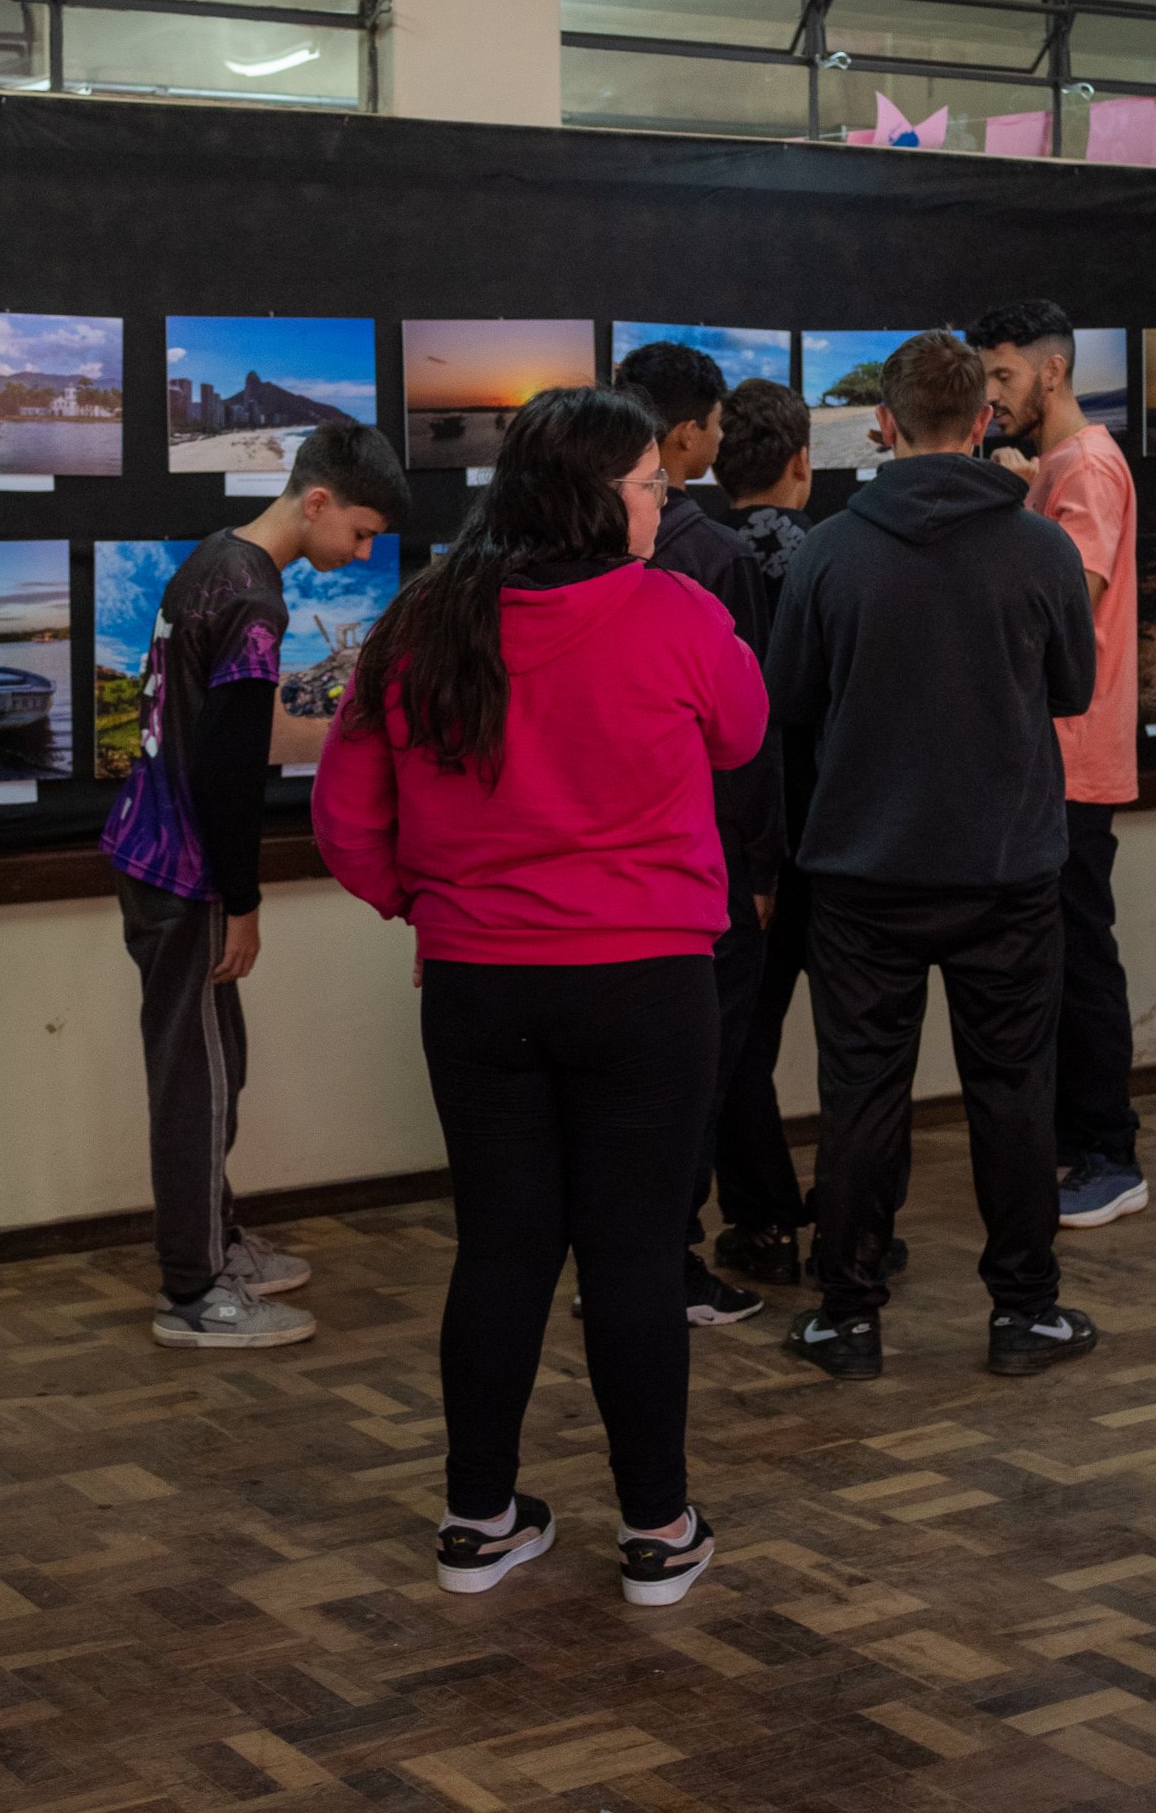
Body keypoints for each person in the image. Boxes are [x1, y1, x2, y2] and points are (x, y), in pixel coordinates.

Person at [313, 388, 767, 1605]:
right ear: (595, 497)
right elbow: (743, 734)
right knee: (633, 1255)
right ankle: (658, 1530)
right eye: (649, 485)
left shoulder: (424, 619)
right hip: (646, 983)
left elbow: (345, 820)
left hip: (479, 984)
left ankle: (477, 1520)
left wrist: (432, 908)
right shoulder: (675, 611)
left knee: (501, 1249)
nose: (661, 502)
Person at [765, 330, 1099, 1380]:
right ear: (984, 420)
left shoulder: (829, 552)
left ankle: (849, 1317)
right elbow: (1073, 689)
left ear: (885, 424)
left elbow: (789, 702)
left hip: (863, 871)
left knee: (862, 1094)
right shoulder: (1040, 549)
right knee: (1014, 1091)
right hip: (1007, 866)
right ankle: (1024, 1313)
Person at [102, 421, 411, 1350]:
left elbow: (222, 735)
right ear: (317, 500)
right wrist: (243, 901)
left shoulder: (216, 559)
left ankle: (216, 1242)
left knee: (217, 1065)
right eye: (360, 532)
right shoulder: (255, 600)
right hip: (185, 872)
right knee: (195, 1083)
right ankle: (194, 1292)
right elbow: (230, 771)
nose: (363, 552)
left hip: (155, 853)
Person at [614, 339, 785, 1323]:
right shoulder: (715, 556)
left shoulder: (567, 555)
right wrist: (762, 861)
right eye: (715, 426)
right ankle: (665, 1263)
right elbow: (748, 730)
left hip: (623, 856)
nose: (722, 442)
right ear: (683, 434)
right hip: (702, 857)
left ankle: (638, 1256)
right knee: (695, 1069)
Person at [970, 299, 1145, 1229]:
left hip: (1077, 760)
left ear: (1053, 370)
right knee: (1059, 958)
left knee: (1082, 958)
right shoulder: (1058, 466)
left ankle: (1112, 1152)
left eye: (1003, 376)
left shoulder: (1087, 467)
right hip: (1051, 759)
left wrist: (1003, 503)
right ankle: (1083, 1143)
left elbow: (1065, 603)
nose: (992, 396)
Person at [708, 378, 816, 1284]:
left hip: (743, 834)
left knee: (742, 1036)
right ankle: (847, 1220)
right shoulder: (826, 555)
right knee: (866, 1041)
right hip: (832, 824)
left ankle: (764, 1216)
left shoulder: (696, 558)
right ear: (801, 462)